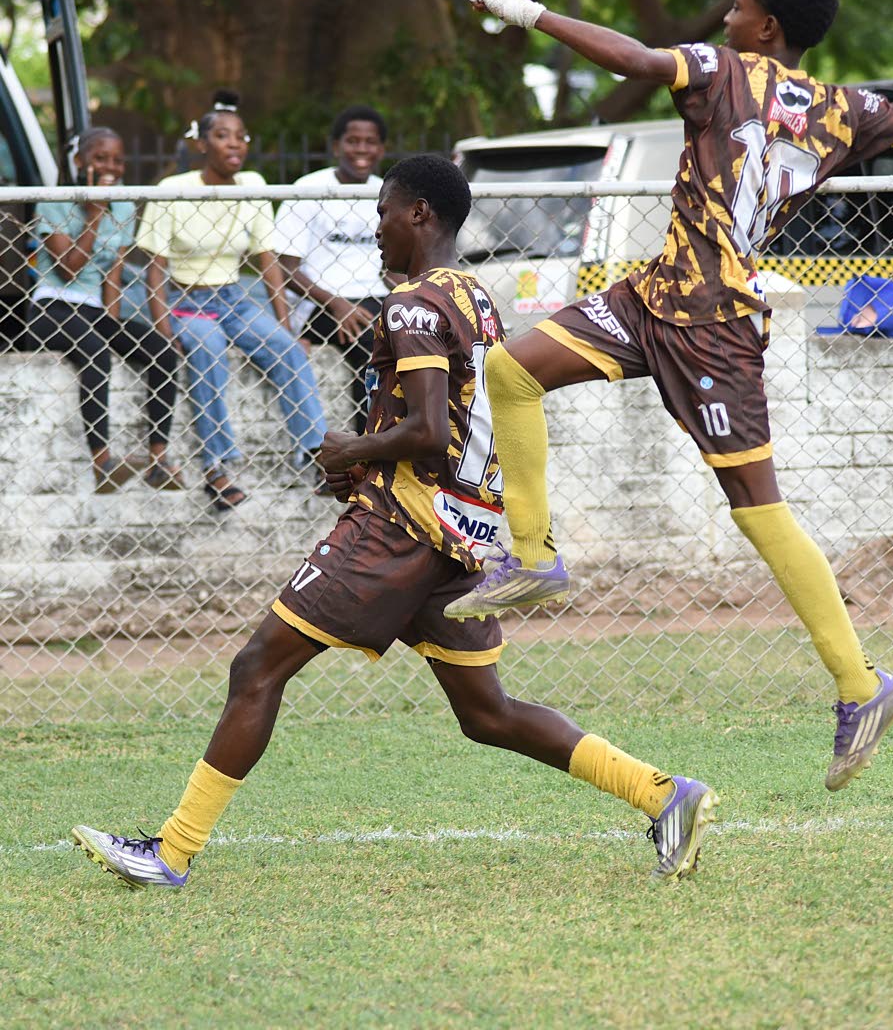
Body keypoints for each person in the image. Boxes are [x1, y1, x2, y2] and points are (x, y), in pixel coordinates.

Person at [71, 155, 717, 888]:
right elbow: (462, 419)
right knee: (488, 713)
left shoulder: (411, 304)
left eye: (383, 212)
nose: (374, 228)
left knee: (258, 666)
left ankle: (172, 852)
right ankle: (666, 795)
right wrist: (372, 458)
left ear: (419, 215)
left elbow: (428, 428)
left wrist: (352, 447)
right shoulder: (474, 297)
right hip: (462, 533)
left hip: (399, 528)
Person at [448, 0, 893, 791]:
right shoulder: (850, 109)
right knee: (510, 371)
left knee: (758, 512)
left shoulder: (721, 69)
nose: (724, 19)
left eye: (735, 7)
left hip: (715, 327)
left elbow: (632, 58)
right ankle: (535, 557)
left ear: (765, 26)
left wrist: (526, 11)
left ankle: (863, 685)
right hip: (652, 297)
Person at [138, 91, 328, 510]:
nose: (235, 144)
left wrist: (286, 325)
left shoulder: (254, 186)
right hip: (187, 302)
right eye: (223, 136)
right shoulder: (172, 190)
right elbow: (155, 270)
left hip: (234, 300)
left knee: (286, 351)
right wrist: (164, 328)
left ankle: (318, 455)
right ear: (202, 144)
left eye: (241, 137)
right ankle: (217, 468)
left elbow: (268, 262)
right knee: (208, 347)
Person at [25, 127, 184, 493]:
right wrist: (94, 213)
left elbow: (112, 275)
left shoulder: (124, 206)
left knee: (161, 351)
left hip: (92, 310)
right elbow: (70, 268)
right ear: (79, 161)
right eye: (100, 159)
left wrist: (113, 325)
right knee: (96, 353)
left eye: (117, 160)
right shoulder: (54, 200)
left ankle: (159, 460)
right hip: (52, 306)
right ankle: (104, 464)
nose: (110, 167)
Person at [277, 105, 395, 434]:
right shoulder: (309, 188)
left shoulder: (387, 189)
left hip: (372, 299)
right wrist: (337, 304)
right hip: (317, 304)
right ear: (336, 146)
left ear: (381, 148)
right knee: (372, 340)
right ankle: (366, 448)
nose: (361, 150)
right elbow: (285, 268)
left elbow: (391, 266)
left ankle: (375, 444)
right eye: (353, 141)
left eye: (370, 142)